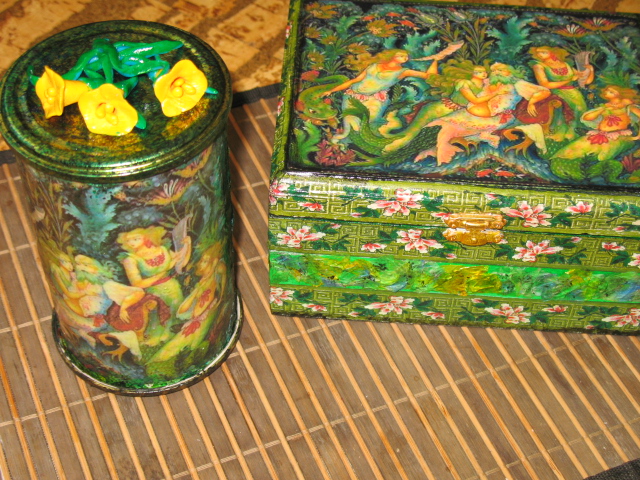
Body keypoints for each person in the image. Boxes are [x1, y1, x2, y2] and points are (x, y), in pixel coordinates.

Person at [418, 62, 551, 165]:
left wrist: (532, 101)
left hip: (493, 119)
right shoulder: (488, 82)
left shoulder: (518, 84)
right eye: (494, 71)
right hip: (467, 115)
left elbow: (545, 91)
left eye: (500, 70)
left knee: (449, 133)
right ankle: (430, 152)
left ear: (510, 72)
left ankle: (442, 160)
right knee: (440, 128)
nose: (496, 73)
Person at [322, 49, 439, 141]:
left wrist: (435, 61)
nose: (405, 58)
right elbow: (355, 80)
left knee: (366, 124)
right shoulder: (374, 65)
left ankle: (360, 144)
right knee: (349, 121)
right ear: (391, 55)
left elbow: (429, 76)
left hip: (374, 101)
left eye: (406, 56)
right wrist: (331, 91)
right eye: (401, 55)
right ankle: (343, 140)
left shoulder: (403, 71)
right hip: (353, 95)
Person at [384, 64, 499, 152]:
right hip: (440, 109)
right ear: (472, 73)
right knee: (411, 133)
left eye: (484, 71)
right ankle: (387, 148)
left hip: (456, 111)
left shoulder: (485, 84)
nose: (483, 74)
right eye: (479, 72)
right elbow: (475, 100)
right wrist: (496, 93)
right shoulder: (465, 83)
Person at [117, 225, 191, 345]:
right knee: (158, 317)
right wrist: (163, 271)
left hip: (173, 289)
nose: (132, 243)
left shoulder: (162, 249)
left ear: (146, 237)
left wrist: (188, 245)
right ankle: (158, 338)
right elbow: (138, 283)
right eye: (128, 240)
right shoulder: (131, 259)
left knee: (177, 314)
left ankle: (179, 336)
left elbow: (181, 263)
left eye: (136, 239)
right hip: (154, 293)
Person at [552, 85, 640, 165]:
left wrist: (637, 136)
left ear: (620, 94)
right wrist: (602, 109)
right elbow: (587, 117)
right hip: (600, 134)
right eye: (607, 90)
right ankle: (560, 159)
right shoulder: (605, 106)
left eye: (611, 91)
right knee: (580, 144)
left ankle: (592, 165)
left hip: (618, 135)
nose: (606, 92)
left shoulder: (628, 106)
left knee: (603, 152)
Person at [530, 46, 594, 140]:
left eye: (543, 52)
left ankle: (578, 132)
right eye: (538, 52)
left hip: (574, 94)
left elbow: (583, 80)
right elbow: (545, 84)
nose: (540, 55)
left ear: (553, 52)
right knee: (566, 111)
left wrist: (591, 70)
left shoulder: (566, 64)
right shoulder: (539, 66)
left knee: (580, 110)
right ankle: (564, 134)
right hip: (556, 93)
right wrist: (569, 80)